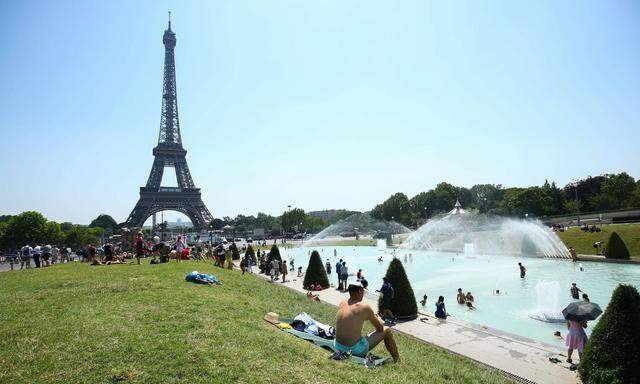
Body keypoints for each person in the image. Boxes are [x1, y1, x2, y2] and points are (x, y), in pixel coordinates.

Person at [334, 282, 399, 362]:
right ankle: (397, 359)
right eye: (363, 292)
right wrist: (379, 319)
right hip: (352, 350)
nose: (363, 295)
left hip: (337, 346)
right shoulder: (364, 307)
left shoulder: (343, 302)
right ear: (359, 292)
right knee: (387, 330)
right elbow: (380, 328)